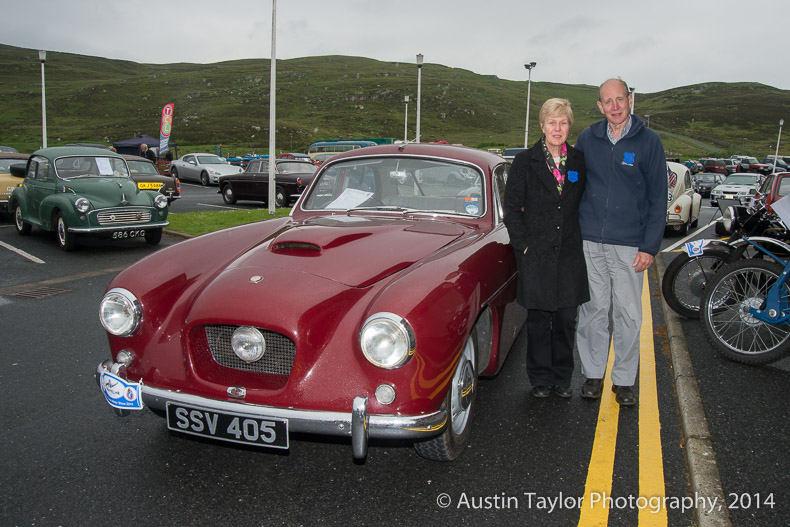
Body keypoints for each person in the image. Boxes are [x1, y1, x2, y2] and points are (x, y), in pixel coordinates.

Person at [575, 78, 667, 406]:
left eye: (619, 100)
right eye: (607, 101)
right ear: (599, 106)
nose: (614, 107)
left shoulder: (649, 142)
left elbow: (659, 198)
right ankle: (593, 374)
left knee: (628, 312)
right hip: (590, 241)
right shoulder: (588, 138)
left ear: (630, 100)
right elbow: (575, 180)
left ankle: (625, 379)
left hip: (630, 244)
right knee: (593, 309)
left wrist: (649, 246)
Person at [503, 98, 589, 398]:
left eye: (563, 122)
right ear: (541, 125)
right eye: (552, 122)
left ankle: (562, 378)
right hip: (535, 254)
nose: (557, 128)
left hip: (568, 254)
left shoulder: (578, 161)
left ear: (569, 126)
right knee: (539, 320)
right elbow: (511, 209)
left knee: (566, 320)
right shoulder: (525, 162)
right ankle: (539, 379)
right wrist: (523, 245)